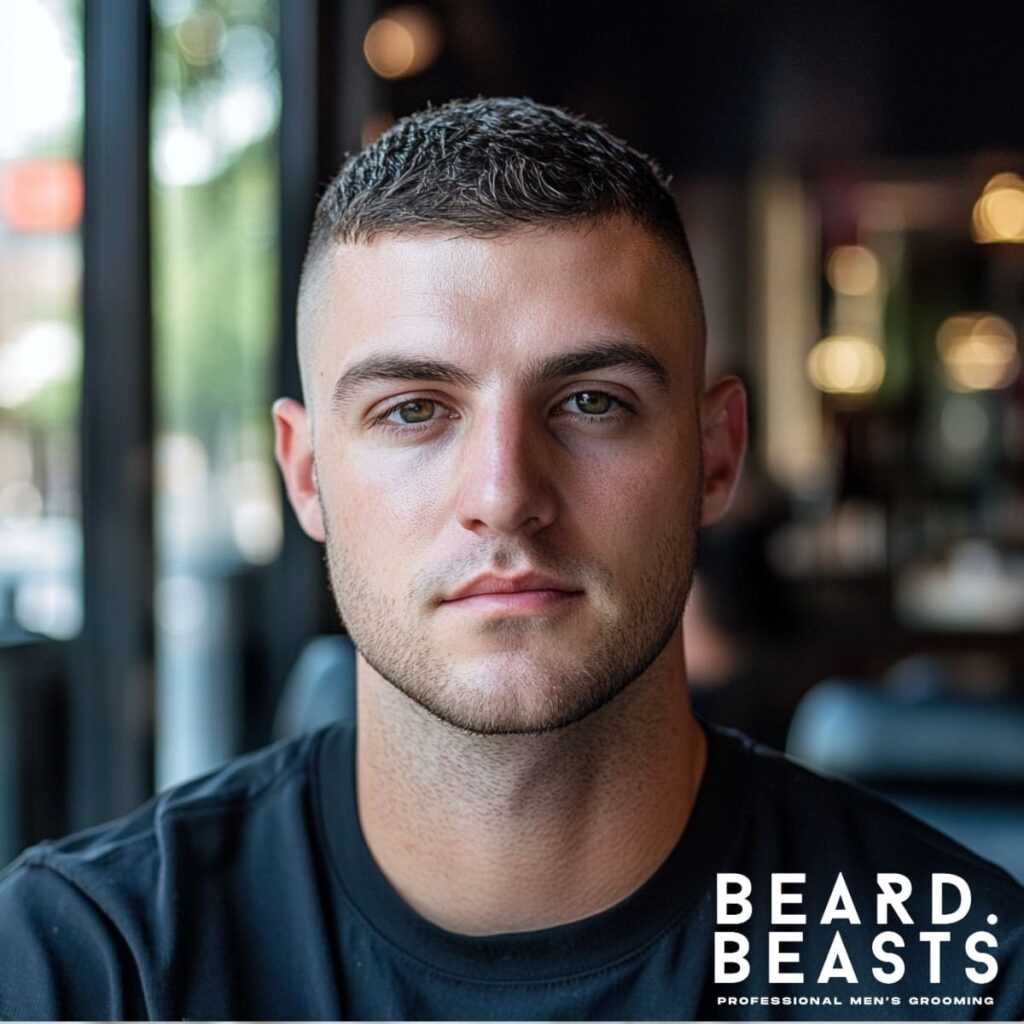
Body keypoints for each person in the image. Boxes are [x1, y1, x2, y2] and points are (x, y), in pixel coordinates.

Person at [1, 97, 1023, 1022]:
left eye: (591, 402)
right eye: (412, 411)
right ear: (305, 475)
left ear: (714, 455)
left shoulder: (960, 982)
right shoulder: (92, 966)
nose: (503, 495)